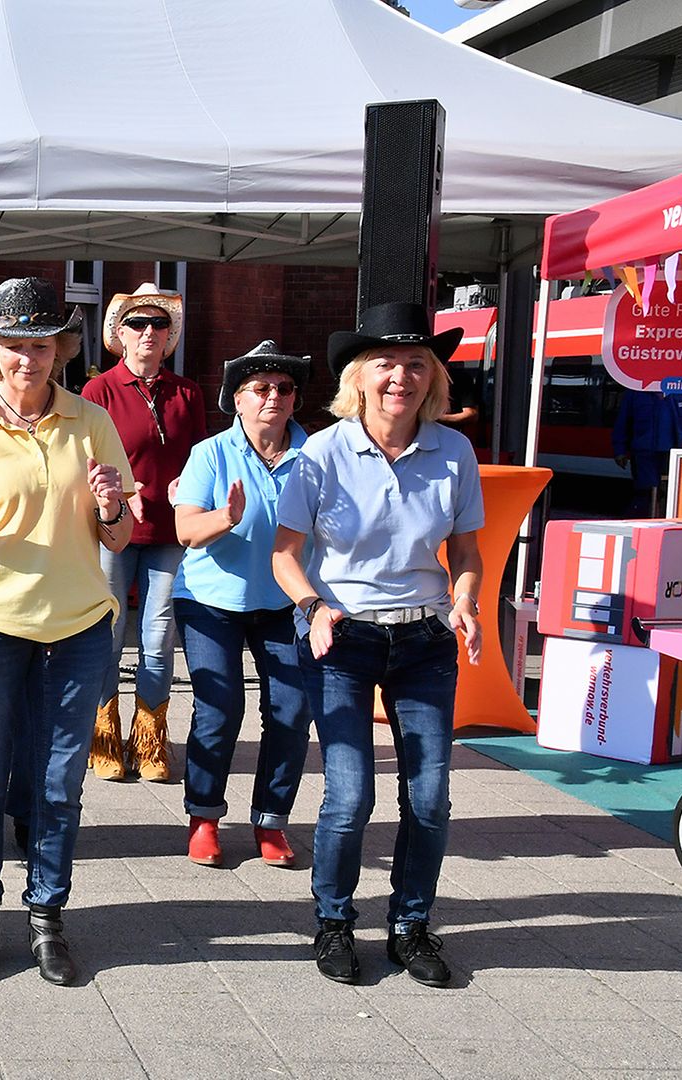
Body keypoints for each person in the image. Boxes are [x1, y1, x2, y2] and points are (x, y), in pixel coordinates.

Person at [0, 277, 133, 985]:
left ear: (62, 350)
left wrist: (107, 507)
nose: (26, 359)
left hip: (77, 626)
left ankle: (46, 917)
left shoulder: (90, 421)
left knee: (58, 783)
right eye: (13, 346)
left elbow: (122, 537)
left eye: (40, 345)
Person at [272, 302, 484, 989]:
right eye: (386, 364)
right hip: (343, 636)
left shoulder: (454, 450)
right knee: (349, 795)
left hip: (424, 638)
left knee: (430, 796)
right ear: (359, 378)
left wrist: (465, 601)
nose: (402, 376)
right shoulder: (320, 453)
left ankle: (410, 925)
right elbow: (284, 555)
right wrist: (314, 607)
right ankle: (333, 921)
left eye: (417, 363)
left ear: (434, 378)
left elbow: (466, 548)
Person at [172, 342, 314, 870]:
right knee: (219, 705)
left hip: (284, 600)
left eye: (284, 388)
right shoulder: (210, 453)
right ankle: (204, 817)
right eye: (261, 388)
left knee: (292, 711)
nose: (273, 396)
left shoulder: (315, 455)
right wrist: (225, 518)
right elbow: (186, 529)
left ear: (295, 401)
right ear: (237, 400)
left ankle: (271, 821)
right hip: (211, 599)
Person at [83, 283, 206, 783]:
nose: (148, 333)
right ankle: (104, 737)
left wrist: (188, 483)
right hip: (115, 529)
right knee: (108, 635)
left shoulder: (187, 392)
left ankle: (151, 741)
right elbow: (86, 460)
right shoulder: (99, 390)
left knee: (158, 637)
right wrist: (117, 491)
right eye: (138, 324)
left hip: (170, 530)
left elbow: (201, 455)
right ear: (121, 334)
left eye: (158, 324)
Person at [610, 387, 682, 517]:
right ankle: (641, 528)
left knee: (674, 495)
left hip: (674, 455)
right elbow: (623, 420)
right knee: (645, 494)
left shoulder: (681, 391)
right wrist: (619, 450)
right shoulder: (635, 391)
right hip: (644, 454)